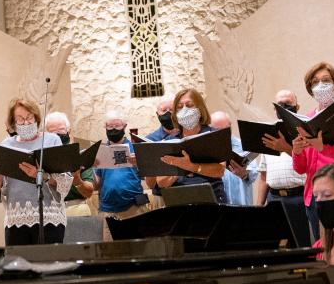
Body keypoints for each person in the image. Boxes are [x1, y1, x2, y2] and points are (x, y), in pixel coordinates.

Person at [264, 63, 334, 215]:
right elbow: (301, 169)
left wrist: (322, 147)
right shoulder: (306, 119)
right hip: (316, 195)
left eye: (326, 80)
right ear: (310, 88)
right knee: (320, 239)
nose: (321, 85)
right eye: (315, 82)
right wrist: (297, 151)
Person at [0, 98, 73, 245]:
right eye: (20, 119)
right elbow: (0, 191)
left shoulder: (52, 140)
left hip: (49, 218)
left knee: (48, 266)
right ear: (13, 122)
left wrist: (41, 176)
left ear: (36, 117)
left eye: (29, 118)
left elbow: (65, 182)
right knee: (19, 266)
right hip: (16, 219)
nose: (26, 122)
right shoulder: (6, 145)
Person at [252, 90, 315, 242]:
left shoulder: (305, 131)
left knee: (303, 245)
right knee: (277, 247)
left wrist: (285, 147)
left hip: (299, 198)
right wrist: (259, 206)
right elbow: (263, 176)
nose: (283, 107)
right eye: (279, 105)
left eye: (288, 104)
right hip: (274, 199)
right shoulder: (269, 134)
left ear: (297, 106)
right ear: (274, 109)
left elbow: (306, 164)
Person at [153, 88, 227, 204]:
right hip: (179, 201)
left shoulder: (213, 136)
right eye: (179, 107)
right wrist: (178, 169)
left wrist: (191, 166)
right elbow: (161, 182)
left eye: (189, 105)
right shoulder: (169, 141)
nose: (184, 110)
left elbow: (220, 170)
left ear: (200, 109)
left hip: (211, 200)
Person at [93, 111, 150, 240]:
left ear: (124, 126)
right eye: (109, 126)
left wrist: (141, 162)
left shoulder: (136, 148)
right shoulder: (100, 151)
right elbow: (96, 185)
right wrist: (91, 168)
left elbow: (149, 177)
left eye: (117, 126)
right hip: (108, 210)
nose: (113, 129)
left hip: (134, 208)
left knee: (138, 250)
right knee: (110, 253)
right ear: (105, 127)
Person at [46, 112, 96, 216]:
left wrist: (77, 181)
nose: (57, 135)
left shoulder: (81, 155)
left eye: (60, 130)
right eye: (52, 132)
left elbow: (89, 192)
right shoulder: (42, 157)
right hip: (50, 212)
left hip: (76, 210)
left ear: (69, 130)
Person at [212, 110, 258, 206]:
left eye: (225, 130)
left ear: (230, 126)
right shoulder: (207, 149)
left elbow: (254, 173)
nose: (222, 134)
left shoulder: (244, 146)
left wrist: (244, 174)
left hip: (241, 204)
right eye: (217, 131)